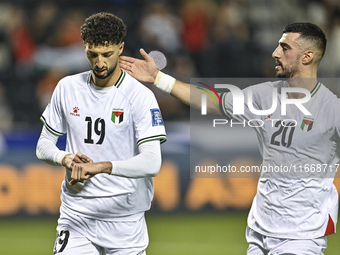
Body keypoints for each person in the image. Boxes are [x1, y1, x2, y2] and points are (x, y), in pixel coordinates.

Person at [119, 22, 339, 254]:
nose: (275, 53)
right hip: (260, 232)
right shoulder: (265, 96)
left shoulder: (331, 110)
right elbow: (214, 101)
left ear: (307, 56)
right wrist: (159, 78)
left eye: (284, 48)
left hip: (302, 236)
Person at [36, 12, 166, 255]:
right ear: (84, 47)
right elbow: (43, 144)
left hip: (125, 220)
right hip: (77, 215)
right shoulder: (67, 87)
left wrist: (100, 166)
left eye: (107, 54)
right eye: (92, 54)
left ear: (120, 48)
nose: (99, 63)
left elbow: (152, 162)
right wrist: (65, 158)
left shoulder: (139, 96)